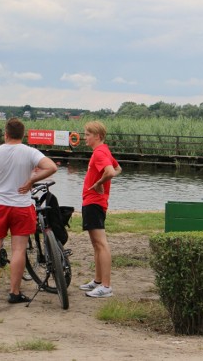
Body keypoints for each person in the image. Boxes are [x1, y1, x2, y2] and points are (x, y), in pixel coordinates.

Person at [0, 118, 58, 303]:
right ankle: (14, 292)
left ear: (5, 134)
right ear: (23, 135)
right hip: (21, 206)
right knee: (19, 250)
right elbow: (52, 167)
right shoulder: (30, 152)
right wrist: (31, 181)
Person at [79, 121, 122, 298]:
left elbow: (111, 171)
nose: (85, 137)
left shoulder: (99, 152)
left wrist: (98, 184)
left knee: (101, 244)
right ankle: (97, 281)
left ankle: (106, 286)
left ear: (97, 136)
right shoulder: (104, 151)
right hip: (93, 201)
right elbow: (118, 168)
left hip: (94, 202)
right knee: (96, 244)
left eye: (88, 134)